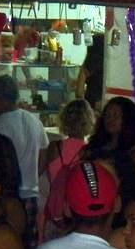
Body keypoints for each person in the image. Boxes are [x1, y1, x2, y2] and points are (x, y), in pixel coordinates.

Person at [0, 74, 49, 249]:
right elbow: (44, 154)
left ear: (0, 98)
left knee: (6, 248)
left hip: (7, 196)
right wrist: (33, 177)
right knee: (28, 248)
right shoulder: (34, 121)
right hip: (31, 194)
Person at [38, 98, 95, 241]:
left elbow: (39, 174)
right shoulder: (90, 152)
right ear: (88, 122)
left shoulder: (54, 147)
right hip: (77, 213)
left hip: (53, 210)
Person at [74, 34, 104, 111]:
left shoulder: (87, 65)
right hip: (104, 104)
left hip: (90, 103)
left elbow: (79, 93)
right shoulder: (109, 66)